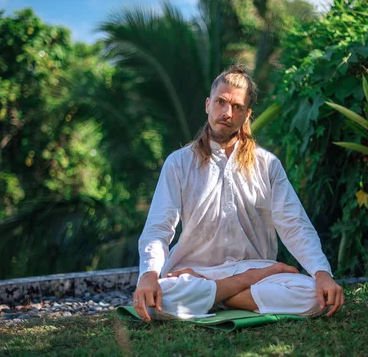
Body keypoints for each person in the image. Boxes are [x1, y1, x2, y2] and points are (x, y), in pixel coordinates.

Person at [133, 66, 344, 321]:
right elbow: (159, 227)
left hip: (255, 269)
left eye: (237, 107)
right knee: (160, 295)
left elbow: (294, 224)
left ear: (247, 115)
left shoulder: (267, 164)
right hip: (196, 272)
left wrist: (322, 273)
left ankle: (216, 298)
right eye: (221, 102)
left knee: (315, 296)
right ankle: (234, 293)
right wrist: (148, 275)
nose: (226, 113)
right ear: (208, 105)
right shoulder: (178, 163)